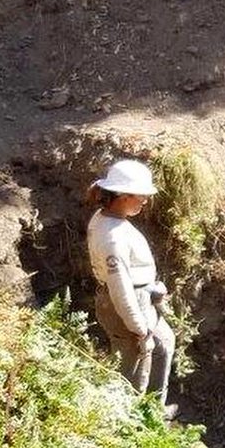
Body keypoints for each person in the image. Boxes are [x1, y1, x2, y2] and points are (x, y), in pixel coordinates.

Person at [86, 159, 176, 411]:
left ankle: (155, 411)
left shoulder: (106, 218)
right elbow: (120, 289)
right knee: (135, 369)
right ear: (124, 196)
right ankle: (131, 420)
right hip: (128, 308)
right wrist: (138, 328)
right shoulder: (112, 238)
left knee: (164, 343)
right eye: (142, 196)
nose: (145, 201)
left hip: (142, 299)